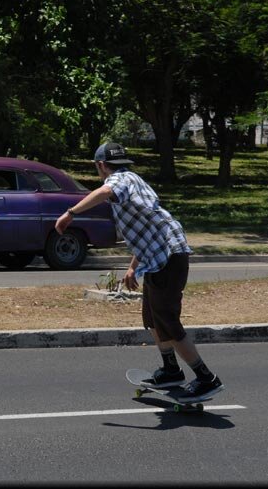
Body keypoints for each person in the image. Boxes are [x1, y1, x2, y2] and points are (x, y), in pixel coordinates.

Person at [54, 143, 224, 402]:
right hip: (158, 257)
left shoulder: (120, 179)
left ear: (100, 165)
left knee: (167, 319)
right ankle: (170, 370)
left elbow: (107, 190)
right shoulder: (132, 180)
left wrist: (70, 213)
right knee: (152, 319)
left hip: (169, 256)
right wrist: (133, 266)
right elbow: (147, 228)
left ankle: (206, 378)